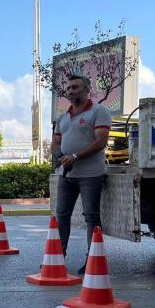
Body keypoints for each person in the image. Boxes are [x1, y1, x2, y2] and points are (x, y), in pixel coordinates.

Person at [52, 74, 112, 274]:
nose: (70, 91)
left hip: (91, 174)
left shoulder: (99, 111)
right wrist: (59, 155)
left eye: (75, 87)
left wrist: (75, 156)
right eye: (69, 88)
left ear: (87, 90)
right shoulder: (63, 117)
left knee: (91, 217)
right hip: (66, 175)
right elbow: (55, 143)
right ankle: (57, 258)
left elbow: (101, 141)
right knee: (62, 215)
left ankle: (93, 260)